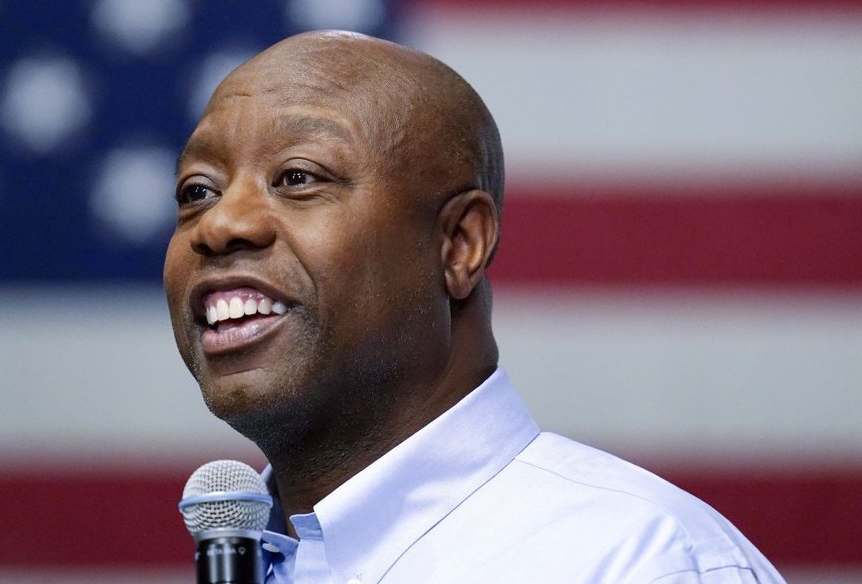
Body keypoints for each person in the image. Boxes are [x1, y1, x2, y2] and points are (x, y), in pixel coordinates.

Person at [163, 30, 785, 584]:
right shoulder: (236, 558)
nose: (220, 224)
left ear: (459, 245)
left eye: (298, 177)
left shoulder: (640, 561)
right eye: (198, 191)